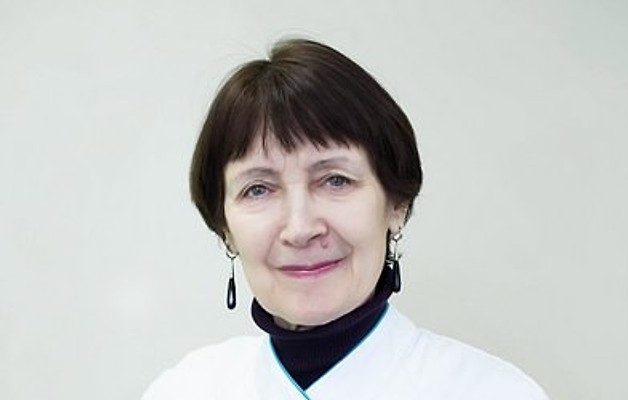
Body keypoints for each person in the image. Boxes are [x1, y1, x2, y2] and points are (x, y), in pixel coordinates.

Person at [142, 38, 549, 400]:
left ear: (396, 203)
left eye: (335, 180)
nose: (300, 228)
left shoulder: (494, 392)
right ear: (224, 228)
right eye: (259, 189)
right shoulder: (185, 389)